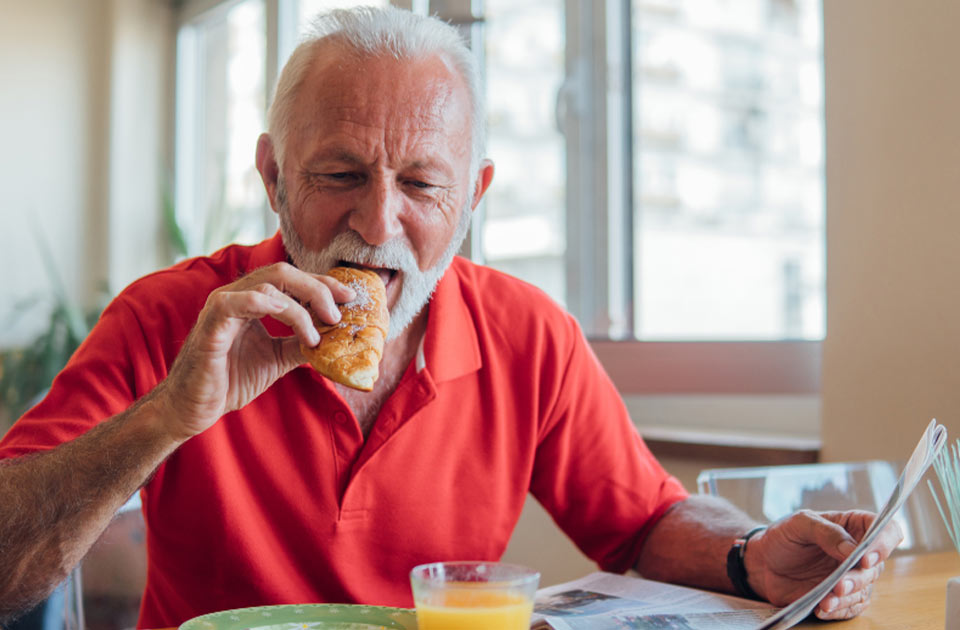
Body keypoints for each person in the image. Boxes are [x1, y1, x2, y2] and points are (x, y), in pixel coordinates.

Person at [0, 6, 900, 628]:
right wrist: (169, 418)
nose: (377, 224)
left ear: (473, 196)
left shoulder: (528, 332)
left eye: (422, 183)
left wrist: (750, 558)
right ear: (273, 178)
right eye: (340, 174)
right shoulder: (171, 317)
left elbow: (639, 521)